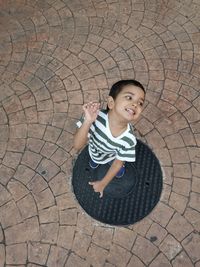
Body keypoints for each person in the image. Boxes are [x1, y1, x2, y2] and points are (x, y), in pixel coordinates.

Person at [74, 79, 145, 198]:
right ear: (111, 103)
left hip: (112, 156)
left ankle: (107, 163)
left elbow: (117, 163)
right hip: (94, 151)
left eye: (140, 103)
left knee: (116, 165)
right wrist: (87, 122)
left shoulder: (129, 139)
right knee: (95, 159)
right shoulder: (95, 118)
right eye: (129, 97)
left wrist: (103, 183)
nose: (135, 104)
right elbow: (77, 145)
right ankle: (96, 160)